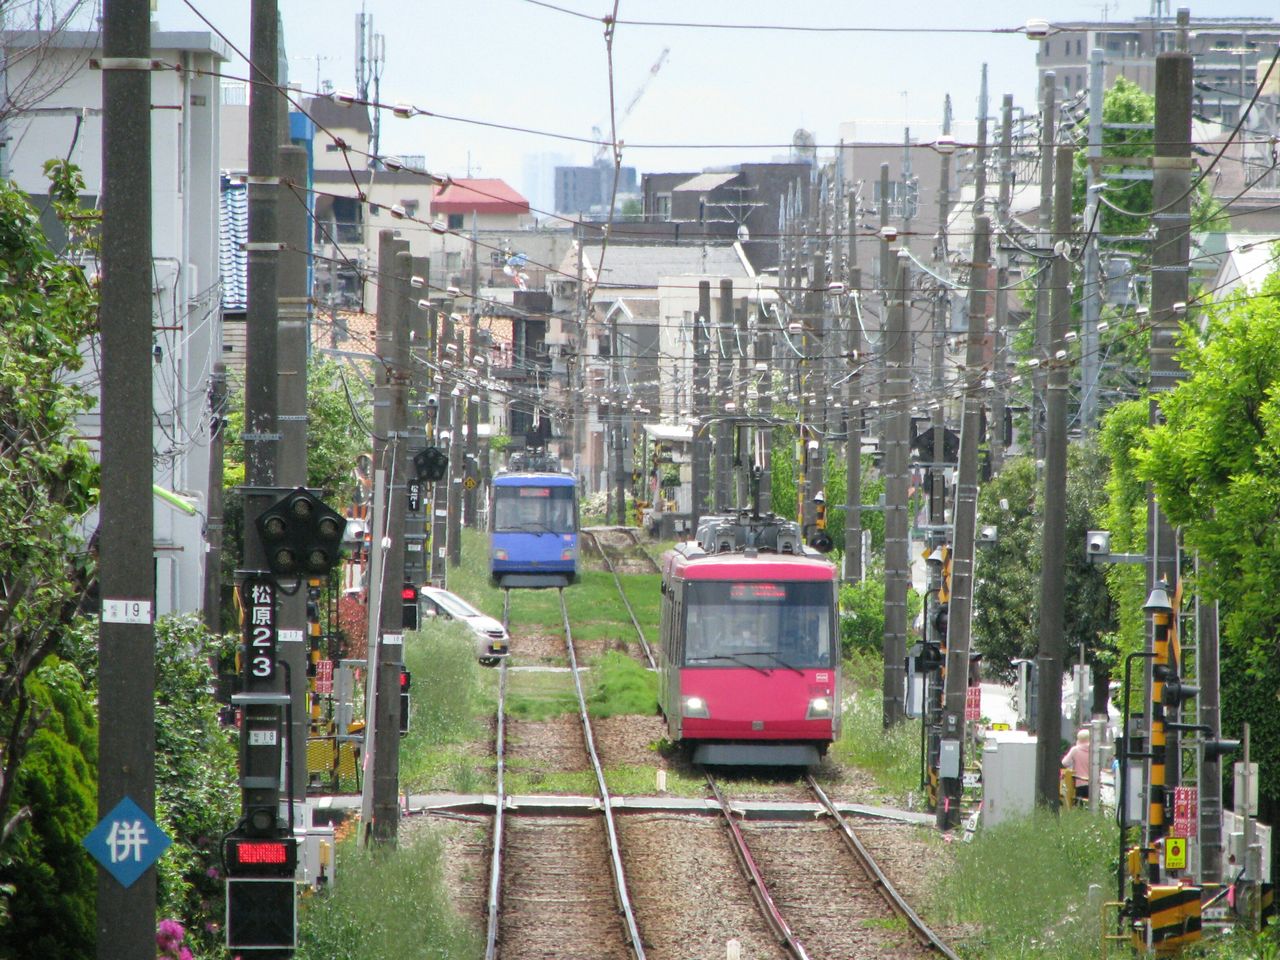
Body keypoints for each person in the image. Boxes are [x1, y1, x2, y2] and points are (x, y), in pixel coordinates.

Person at [1062, 728, 1092, 804]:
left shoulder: (1075, 749)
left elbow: (1065, 762)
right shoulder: (1093, 750)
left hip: (1080, 782)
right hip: (1092, 783)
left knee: (1080, 806)